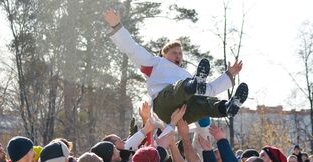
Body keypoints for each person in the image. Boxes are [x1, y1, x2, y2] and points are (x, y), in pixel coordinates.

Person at [103, 9, 247, 128]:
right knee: (179, 89)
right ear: (164, 54)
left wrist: (229, 74)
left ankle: (225, 108)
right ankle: (190, 87)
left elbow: (210, 89)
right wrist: (117, 27)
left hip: (183, 114)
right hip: (163, 107)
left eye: (180, 53)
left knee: (201, 103)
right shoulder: (154, 63)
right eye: (174, 53)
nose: (178, 56)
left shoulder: (186, 74)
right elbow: (133, 49)